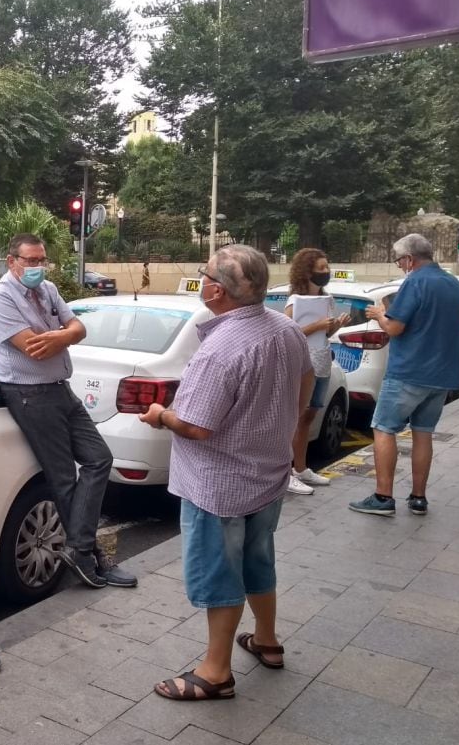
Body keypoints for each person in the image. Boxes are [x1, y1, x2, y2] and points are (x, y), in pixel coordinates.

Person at [139, 245, 313, 702]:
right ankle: (267, 640)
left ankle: (216, 672)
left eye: (204, 275)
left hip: (218, 486)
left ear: (215, 291)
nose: (201, 281)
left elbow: (195, 425)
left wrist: (160, 414)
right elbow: (306, 383)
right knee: (259, 560)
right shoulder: (286, 329)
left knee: (220, 572)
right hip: (268, 475)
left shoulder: (220, 350)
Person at [0, 233, 138, 589]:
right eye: (30, 261)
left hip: (60, 389)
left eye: (42, 260)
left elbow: (79, 327)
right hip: (29, 394)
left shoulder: (47, 290)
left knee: (99, 459)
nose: (38, 267)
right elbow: (35, 349)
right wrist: (63, 335)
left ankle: (81, 550)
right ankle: (90, 556)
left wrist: (62, 335)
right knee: (64, 478)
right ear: (12, 262)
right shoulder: (0, 298)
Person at [349, 233, 459, 517]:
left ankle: (383, 497)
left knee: (384, 428)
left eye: (399, 260)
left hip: (409, 372)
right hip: (443, 374)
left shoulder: (415, 282)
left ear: (410, 259)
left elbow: (394, 328)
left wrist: (379, 314)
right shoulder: (453, 284)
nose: (400, 266)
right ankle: (418, 498)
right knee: (423, 433)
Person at [284, 248, 350, 495]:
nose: (326, 272)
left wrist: (335, 326)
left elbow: (326, 333)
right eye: (320, 268)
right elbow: (288, 334)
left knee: (309, 416)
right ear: (307, 271)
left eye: (327, 267)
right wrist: (316, 325)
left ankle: (300, 468)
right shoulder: (295, 301)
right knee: (296, 418)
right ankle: (286, 471)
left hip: (322, 363)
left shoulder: (327, 298)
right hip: (303, 366)